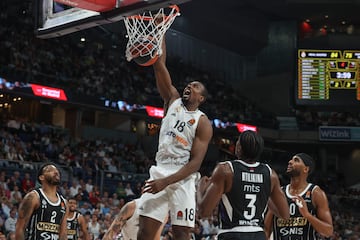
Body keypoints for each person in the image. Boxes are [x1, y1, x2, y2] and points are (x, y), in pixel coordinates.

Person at [137, 37, 213, 240]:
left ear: (201, 99)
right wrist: (161, 33)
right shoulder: (172, 99)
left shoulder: (202, 122)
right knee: (144, 232)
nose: (189, 86)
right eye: (189, 84)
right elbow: (159, 64)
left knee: (181, 233)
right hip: (160, 168)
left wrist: (166, 182)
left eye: (195, 86)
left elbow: (195, 164)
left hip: (183, 178)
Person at [196, 130, 290, 240]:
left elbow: (203, 213)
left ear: (239, 147)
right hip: (258, 235)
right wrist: (261, 196)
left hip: (232, 234)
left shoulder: (226, 170)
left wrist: (200, 188)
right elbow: (285, 215)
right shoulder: (270, 174)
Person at [264, 153, 333, 240]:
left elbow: (328, 231)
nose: (290, 162)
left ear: (306, 169)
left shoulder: (315, 193)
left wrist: (307, 215)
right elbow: (266, 229)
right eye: (291, 159)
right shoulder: (279, 193)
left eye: (296, 160)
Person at [15, 163, 68, 240]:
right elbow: (20, 228)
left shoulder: (64, 203)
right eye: (50, 170)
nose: (56, 172)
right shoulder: (33, 197)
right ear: (41, 177)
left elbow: (63, 234)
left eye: (57, 171)